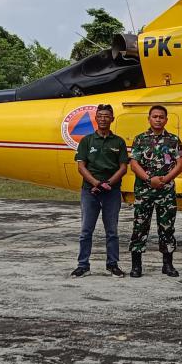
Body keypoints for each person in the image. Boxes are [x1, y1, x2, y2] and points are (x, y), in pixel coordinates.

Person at [128, 105, 182, 278]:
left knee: (167, 228)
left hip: (165, 192)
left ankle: (168, 264)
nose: (158, 119)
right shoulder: (140, 139)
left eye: (161, 117)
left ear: (166, 120)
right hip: (144, 191)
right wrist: (148, 179)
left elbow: (180, 165)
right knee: (139, 227)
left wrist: (164, 180)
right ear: (149, 119)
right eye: (155, 116)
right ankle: (136, 265)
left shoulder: (174, 140)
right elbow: (134, 164)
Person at [72, 104, 129, 278]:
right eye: (100, 116)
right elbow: (81, 167)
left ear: (112, 119)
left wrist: (109, 183)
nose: (103, 119)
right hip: (90, 191)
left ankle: (112, 265)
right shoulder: (87, 140)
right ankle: (83, 265)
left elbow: (123, 167)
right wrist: (96, 183)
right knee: (86, 231)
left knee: (112, 231)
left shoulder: (118, 142)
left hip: (111, 191)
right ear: (96, 119)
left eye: (107, 116)